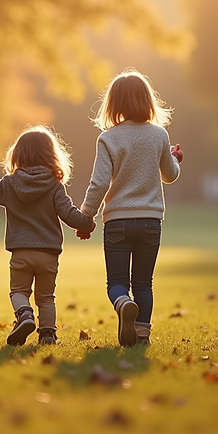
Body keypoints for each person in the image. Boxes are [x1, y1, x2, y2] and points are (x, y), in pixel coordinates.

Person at [78, 68, 183, 346]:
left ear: (113, 104)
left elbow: (99, 183)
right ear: (148, 101)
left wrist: (85, 216)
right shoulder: (159, 135)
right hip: (150, 220)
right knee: (144, 283)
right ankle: (141, 336)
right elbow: (169, 175)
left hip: (117, 222)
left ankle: (122, 302)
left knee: (117, 282)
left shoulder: (109, 138)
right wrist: (175, 159)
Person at [0, 125, 95, 346]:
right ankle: (47, 335)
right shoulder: (54, 186)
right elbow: (70, 214)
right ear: (51, 155)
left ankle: (24, 315)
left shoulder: (9, 184)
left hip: (21, 253)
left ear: (17, 155)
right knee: (45, 298)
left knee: (18, 291)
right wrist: (87, 224)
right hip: (48, 255)